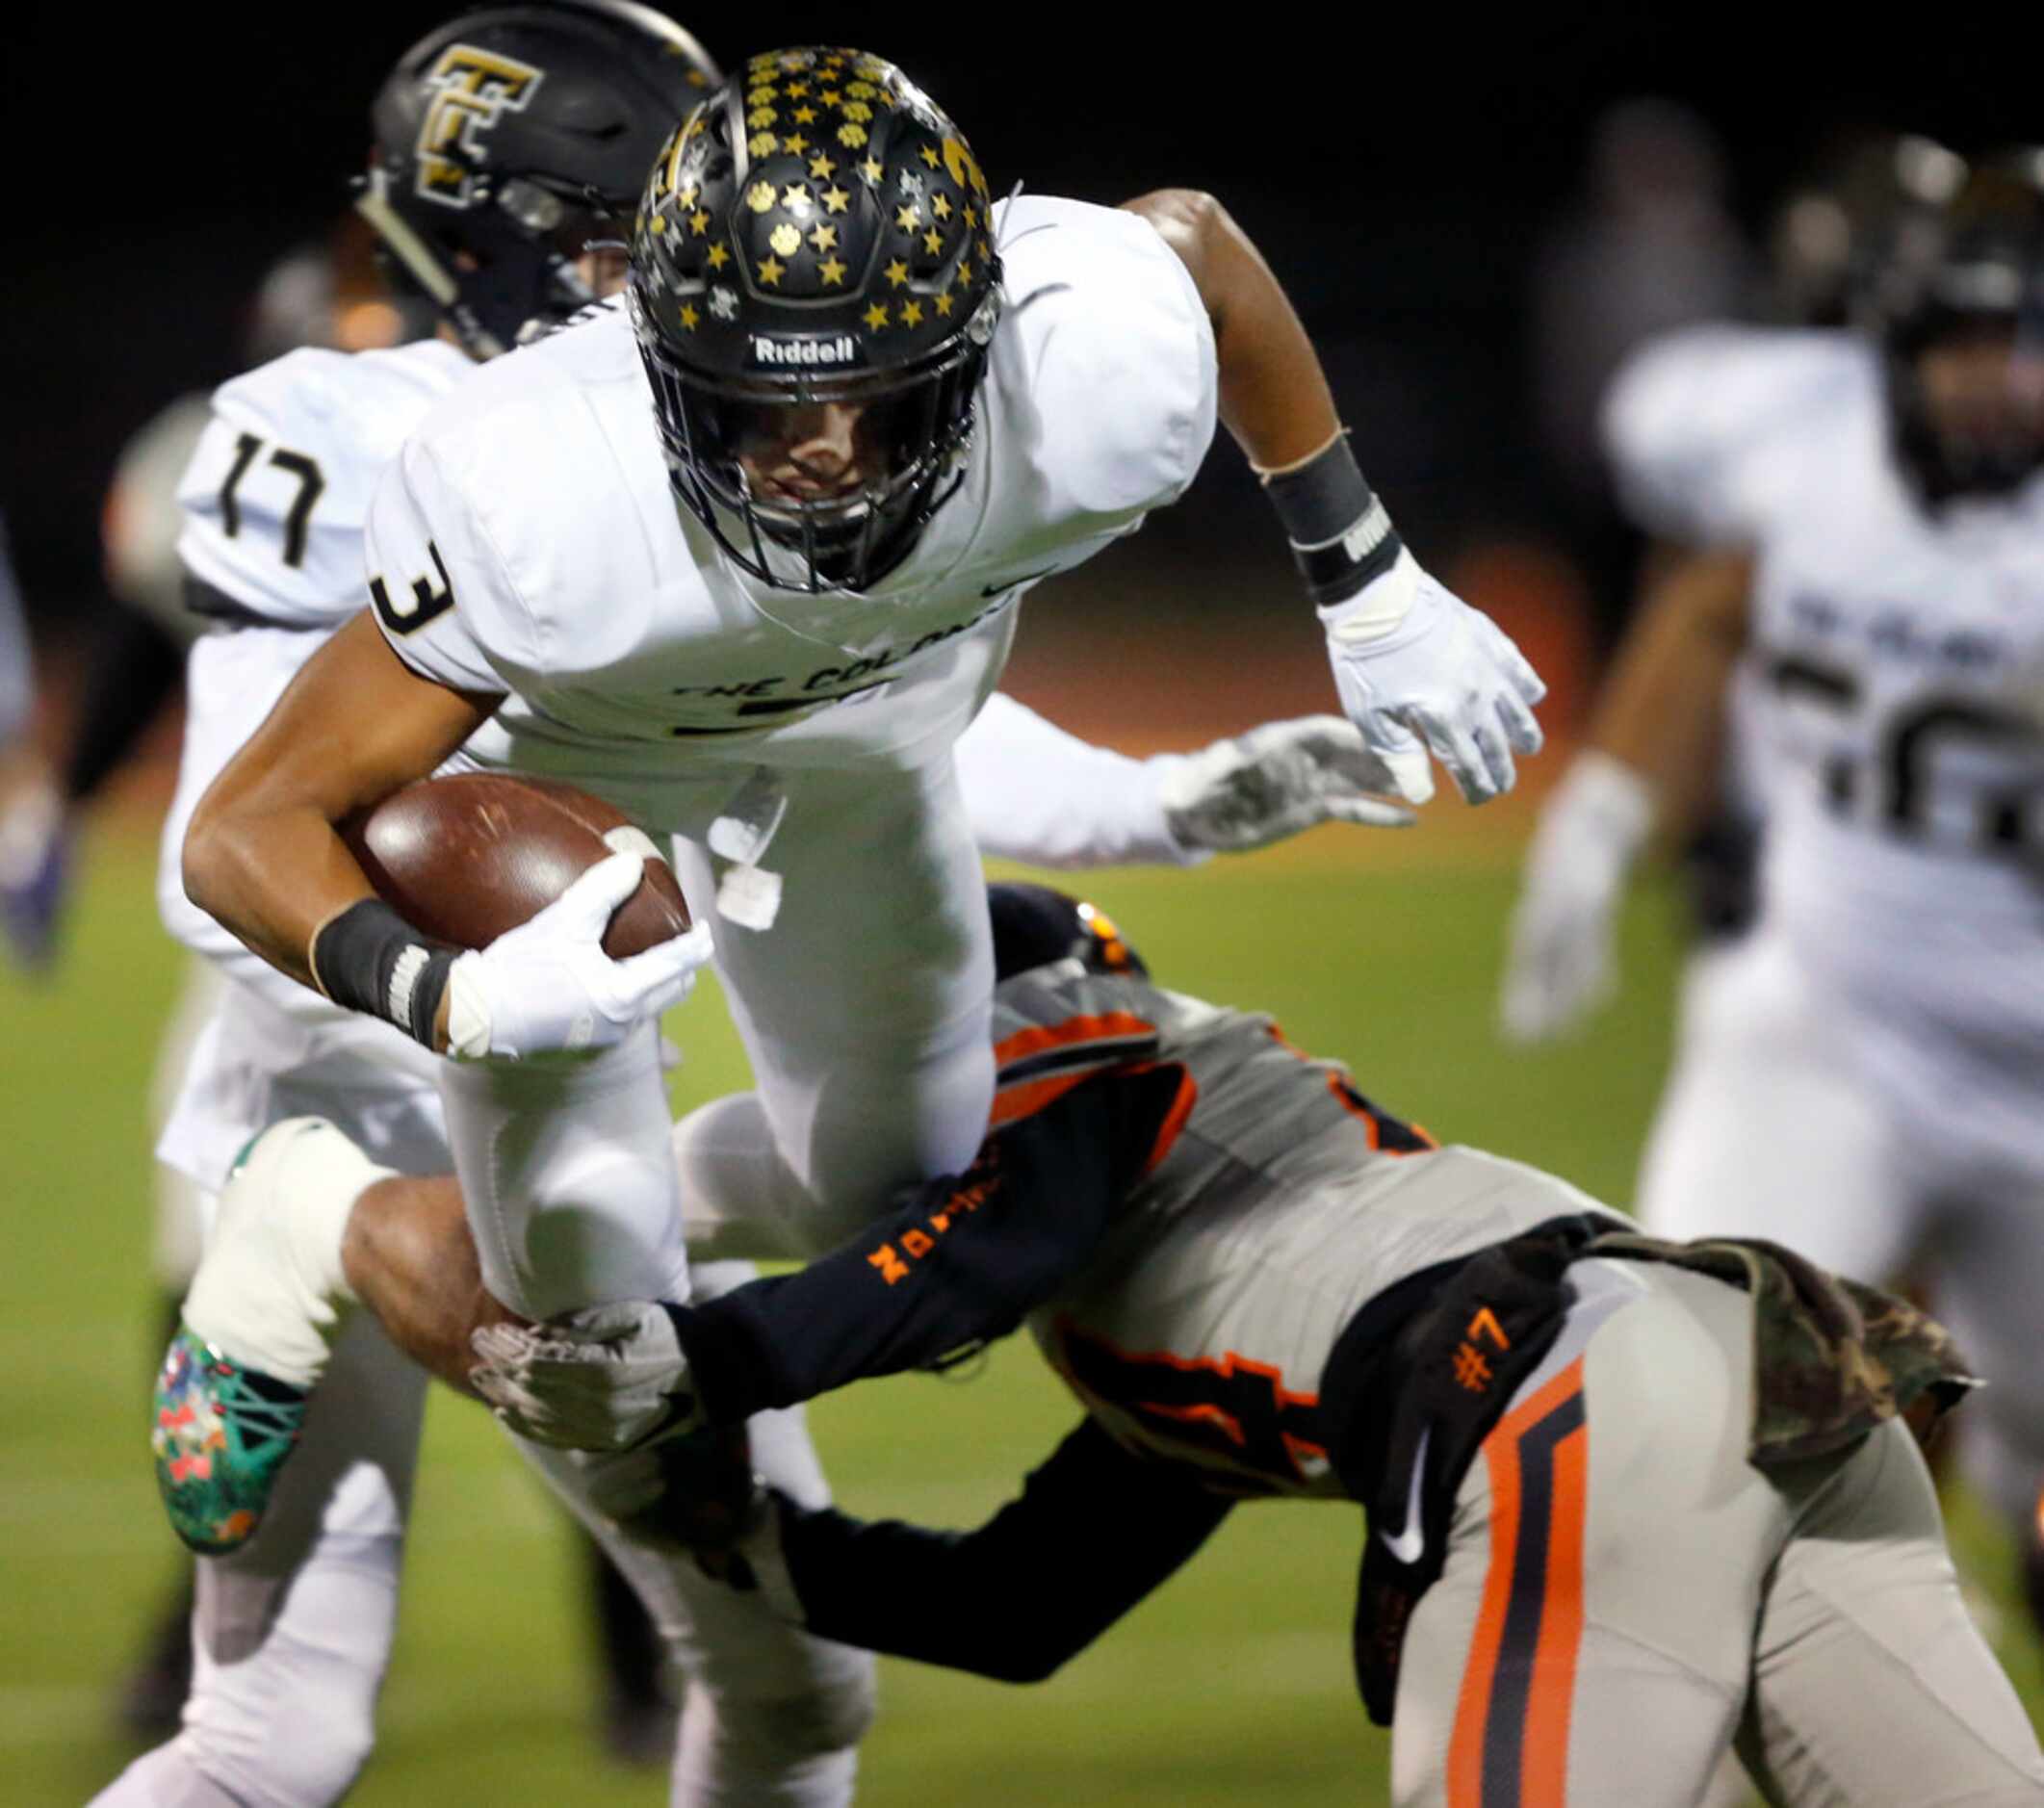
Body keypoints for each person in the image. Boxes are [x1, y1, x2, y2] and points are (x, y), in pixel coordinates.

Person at [119, 19, 1427, 1802]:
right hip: (355, 1059)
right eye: (614, 244)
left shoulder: (784, 430)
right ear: (509, 236)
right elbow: (238, 850)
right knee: (281, 1728)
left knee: (802, 1683)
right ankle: (336, 1223)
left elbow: (860, 714)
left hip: (576, 1061)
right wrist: (461, 987)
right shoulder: (385, 441)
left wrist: (1169, 803)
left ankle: (417, 1217)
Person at [162, 883, 2044, 1805]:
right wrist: (735, 1540)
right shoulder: (1190, 1298)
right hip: (1773, 1382)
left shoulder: (1081, 1047)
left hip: (1567, 1406)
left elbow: (981, 1259)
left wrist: (698, 1373)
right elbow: (1022, 1607)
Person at [1497, 151, 2044, 1626]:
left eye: (2031, 348)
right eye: (1966, 345)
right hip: (1827, 1014)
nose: (1997, 384)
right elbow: (1712, 595)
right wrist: (1599, 823)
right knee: (1677, 1399)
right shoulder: (1797, 437)